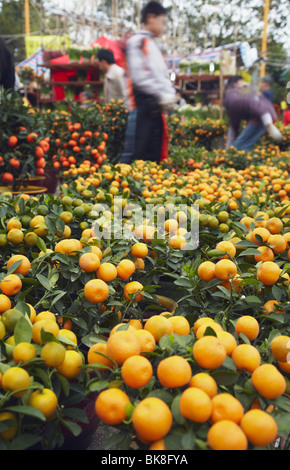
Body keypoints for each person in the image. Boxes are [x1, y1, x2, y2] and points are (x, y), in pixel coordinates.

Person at [120, 1, 177, 163]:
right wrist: (163, 94)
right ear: (151, 18)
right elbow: (139, 78)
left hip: (155, 109)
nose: (163, 26)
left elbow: (161, 76)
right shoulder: (137, 42)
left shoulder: (151, 44)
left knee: (153, 158)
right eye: (162, 21)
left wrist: (169, 94)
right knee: (135, 157)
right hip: (141, 108)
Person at [224, 75, 282, 152]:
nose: (242, 84)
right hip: (261, 119)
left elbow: (258, 106)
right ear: (234, 84)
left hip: (259, 119)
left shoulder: (239, 94)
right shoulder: (234, 95)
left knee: (239, 145)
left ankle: (239, 160)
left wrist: (268, 122)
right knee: (244, 144)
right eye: (240, 82)